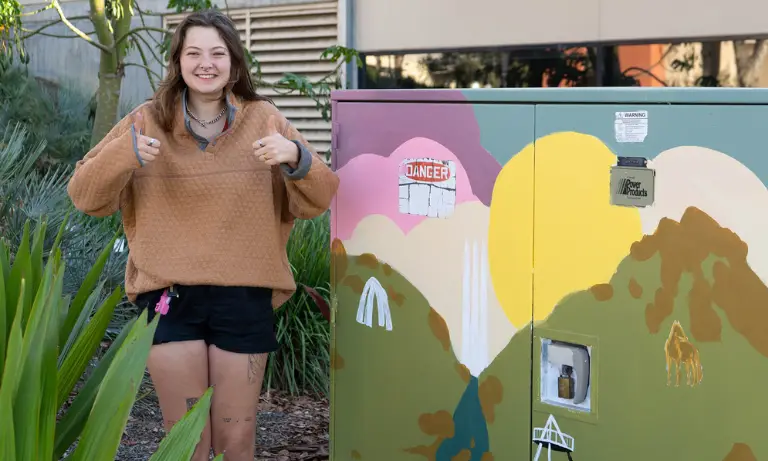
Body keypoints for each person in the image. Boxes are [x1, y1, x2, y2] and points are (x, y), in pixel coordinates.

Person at [67, 9, 339, 461]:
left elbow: (320, 197)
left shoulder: (264, 118)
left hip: (243, 299)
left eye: (217, 52)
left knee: (236, 441)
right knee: (188, 441)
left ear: (234, 61)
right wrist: (125, 155)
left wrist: (294, 156)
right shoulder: (145, 121)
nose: (206, 63)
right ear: (178, 61)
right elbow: (85, 196)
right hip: (169, 299)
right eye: (193, 52)